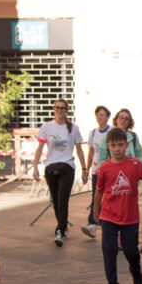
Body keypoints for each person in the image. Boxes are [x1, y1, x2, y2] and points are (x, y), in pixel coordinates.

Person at [93, 127, 142, 284]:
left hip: (130, 216)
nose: (117, 148)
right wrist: (95, 214)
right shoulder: (103, 168)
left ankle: (136, 272)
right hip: (109, 216)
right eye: (113, 145)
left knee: (131, 251)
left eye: (120, 145)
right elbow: (98, 192)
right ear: (108, 146)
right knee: (109, 250)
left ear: (126, 144)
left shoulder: (135, 164)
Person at [32, 98, 87, 246]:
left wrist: (84, 169)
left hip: (67, 166)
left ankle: (60, 230)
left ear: (67, 111)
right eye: (57, 108)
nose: (60, 110)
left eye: (62, 108)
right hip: (50, 166)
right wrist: (35, 166)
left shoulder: (73, 128)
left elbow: (80, 150)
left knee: (63, 199)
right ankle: (62, 225)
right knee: (55, 200)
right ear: (53, 109)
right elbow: (40, 148)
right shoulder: (47, 127)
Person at [80, 105, 111, 238]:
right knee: (96, 196)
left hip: (109, 170)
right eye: (97, 115)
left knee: (109, 197)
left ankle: (108, 223)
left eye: (102, 114)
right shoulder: (93, 133)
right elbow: (91, 152)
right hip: (96, 170)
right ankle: (92, 223)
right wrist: (86, 169)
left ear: (107, 117)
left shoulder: (111, 132)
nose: (99, 117)